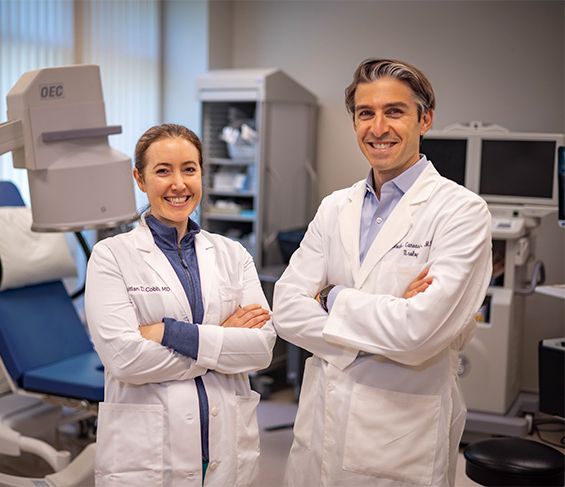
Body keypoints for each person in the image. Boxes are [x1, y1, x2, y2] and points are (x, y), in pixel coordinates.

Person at [273, 58, 492, 486]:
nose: (378, 127)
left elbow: (419, 333)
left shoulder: (461, 211)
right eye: (365, 113)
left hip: (400, 436)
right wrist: (388, 320)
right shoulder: (335, 206)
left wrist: (329, 297)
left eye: (394, 111)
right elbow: (284, 311)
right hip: (319, 424)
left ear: (424, 119)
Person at [85, 123, 276, 487]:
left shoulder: (233, 254)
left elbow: (260, 348)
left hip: (225, 444)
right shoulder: (111, 256)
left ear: (201, 173)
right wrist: (223, 339)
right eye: (163, 171)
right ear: (140, 180)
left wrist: (167, 332)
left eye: (189, 169)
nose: (179, 184)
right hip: (149, 454)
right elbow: (124, 359)